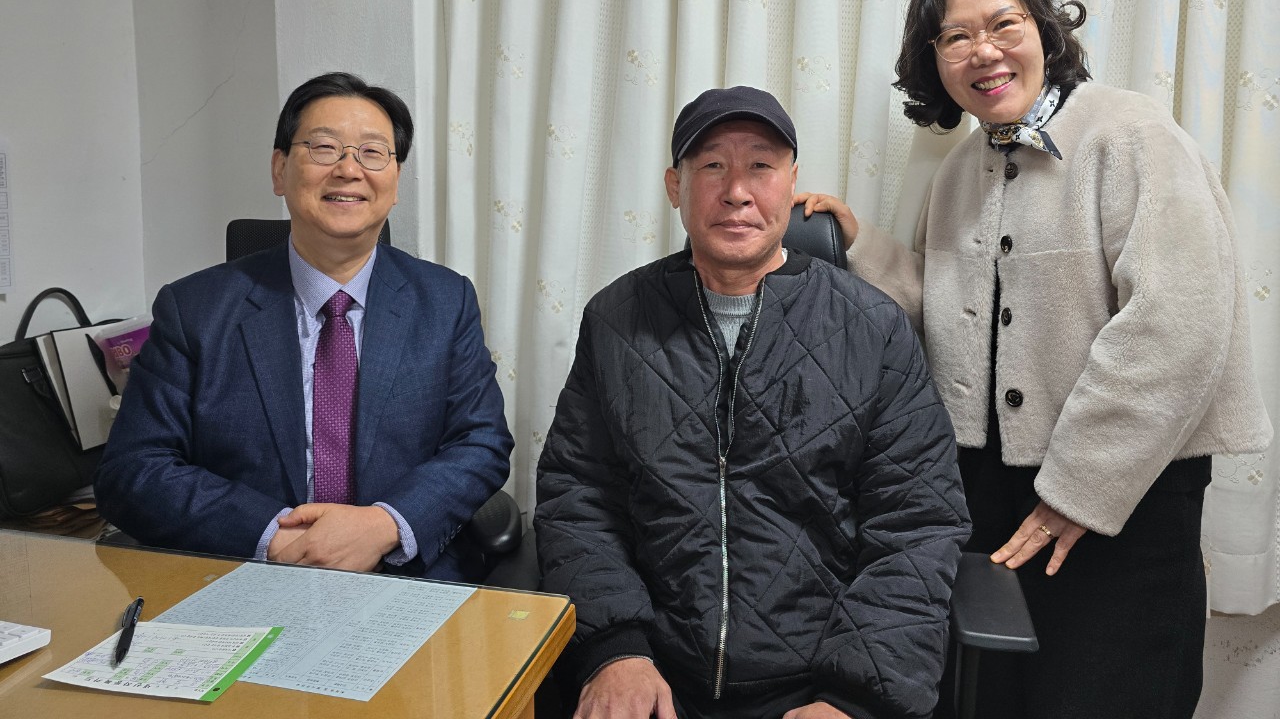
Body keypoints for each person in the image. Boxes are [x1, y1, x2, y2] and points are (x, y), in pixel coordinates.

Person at [798, 0, 1273, 719]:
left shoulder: (1130, 133)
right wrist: (860, 245)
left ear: (1046, 31)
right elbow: (943, 316)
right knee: (992, 698)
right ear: (934, 61)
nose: (983, 51)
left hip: (1128, 494)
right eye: (955, 37)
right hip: (989, 490)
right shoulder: (959, 171)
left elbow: (1177, 324)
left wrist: (1076, 492)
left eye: (1003, 24)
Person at [535, 86, 970, 719]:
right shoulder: (617, 319)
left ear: (791, 183)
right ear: (675, 186)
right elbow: (578, 496)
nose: (737, 191)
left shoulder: (872, 328)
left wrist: (853, 698)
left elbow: (918, 523)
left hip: (821, 682)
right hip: (653, 671)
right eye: (713, 165)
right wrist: (613, 650)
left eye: (761, 166)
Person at [96, 72, 513, 582]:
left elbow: (481, 443)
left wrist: (385, 525)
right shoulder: (194, 309)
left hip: (406, 578)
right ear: (280, 170)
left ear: (395, 181)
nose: (348, 170)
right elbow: (133, 468)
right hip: (248, 577)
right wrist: (274, 536)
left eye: (372, 153)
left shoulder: (446, 301)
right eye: (324, 148)